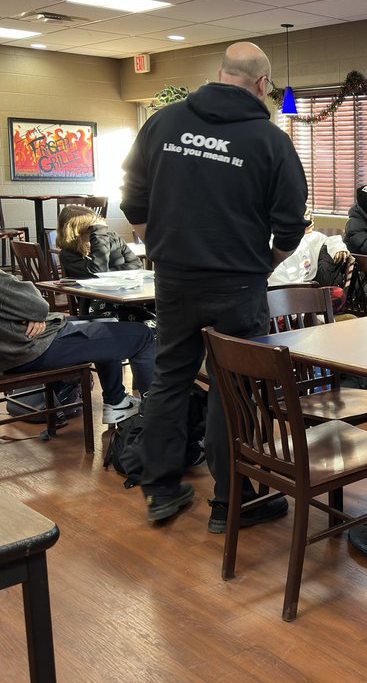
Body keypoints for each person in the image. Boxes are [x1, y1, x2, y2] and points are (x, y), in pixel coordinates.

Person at [121, 41, 308, 527]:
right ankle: (231, 501)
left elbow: (132, 199)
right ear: (263, 84)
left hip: (175, 279)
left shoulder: (162, 122)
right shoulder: (270, 142)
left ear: (221, 73)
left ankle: (160, 489)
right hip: (238, 282)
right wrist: (261, 263)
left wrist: (160, 245)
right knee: (234, 387)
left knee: (169, 377)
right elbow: (290, 226)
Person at [0, 199, 154, 425]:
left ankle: (116, 402)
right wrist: (34, 313)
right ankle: (153, 411)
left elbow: (29, 308)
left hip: (7, 351)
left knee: (107, 323)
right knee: (141, 334)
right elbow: (39, 305)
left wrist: (33, 315)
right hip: (31, 351)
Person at [55, 204, 142, 279]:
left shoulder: (113, 238)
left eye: (96, 227)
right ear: (76, 232)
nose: (95, 231)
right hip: (96, 296)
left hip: (126, 290)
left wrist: (107, 273)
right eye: (92, 228)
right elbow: (98, 272)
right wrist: (98, 235)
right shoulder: (67, 255)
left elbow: (137, 265)